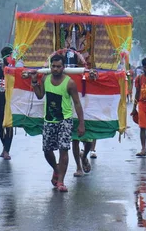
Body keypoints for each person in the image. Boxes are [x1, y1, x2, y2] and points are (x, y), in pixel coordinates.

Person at [30, 54, 85, 192]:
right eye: (53, 66)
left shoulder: (70, 83)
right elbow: (39, 95)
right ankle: (56, 169)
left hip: (65, 121)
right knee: (47, 150)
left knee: (63, 149)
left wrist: (81, 124)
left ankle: (61, 182)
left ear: (63, 67)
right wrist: (34, 82)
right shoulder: (45, 79)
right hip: (49, 120)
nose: (55, 69)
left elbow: (77, 103)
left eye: (58, 66)